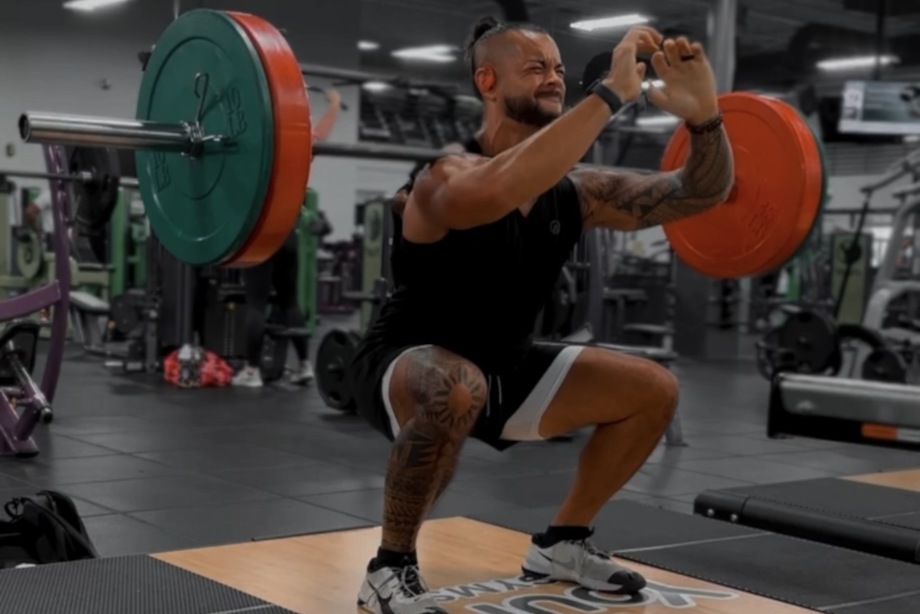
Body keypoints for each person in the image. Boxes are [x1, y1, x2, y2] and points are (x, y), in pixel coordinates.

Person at [350, 17, 734, 614]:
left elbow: (701, 194)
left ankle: (563, 542)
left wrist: (705, 116)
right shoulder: (443, 177)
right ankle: (389, 568)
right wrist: (608, 95)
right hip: (406, 365)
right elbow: (502, 187)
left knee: (654, 389)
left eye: (558, 68)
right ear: (487, 81)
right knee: (456, 386)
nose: (555, 79)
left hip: (508, 367)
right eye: (536, 68)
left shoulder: (576, 192)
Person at [232, 88, 343, 388]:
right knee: (290, 300)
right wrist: (333, 105)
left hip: (261, 233)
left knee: (255, 303)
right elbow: (320, 132)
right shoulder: (301, 145)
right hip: (288, 232)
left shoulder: (255, 145)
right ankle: (305, 365)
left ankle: (252, 372)